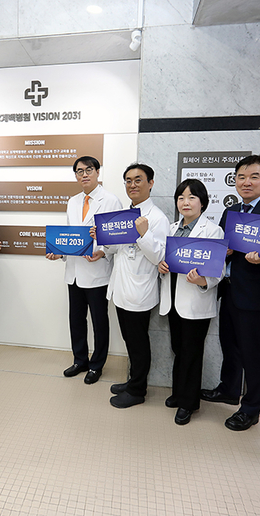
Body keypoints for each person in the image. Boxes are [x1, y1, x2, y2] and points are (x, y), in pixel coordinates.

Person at [200, 155, 260, 431]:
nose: (246, 182)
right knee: (229, 344)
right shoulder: (232, 211)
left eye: (254, 176)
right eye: (241, 177)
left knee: (252, 351)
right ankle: (229, 389)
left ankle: (251, 408)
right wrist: (225, 251)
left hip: (255, 295)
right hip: (229, 289)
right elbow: (225, 247)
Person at [96, 163, 169, 408]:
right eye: (128, 180)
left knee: (138, 343)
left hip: (139, 291)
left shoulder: (157, 218)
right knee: (129, 340)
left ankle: (138, 390)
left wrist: (144, 234)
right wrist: (103, 238)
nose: (132, 185)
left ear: (151, 183)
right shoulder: (124, 215)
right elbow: (115, 249)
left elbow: (160, 257)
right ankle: (132, 380)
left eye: (138, 180)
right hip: (120, 288)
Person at [47, 156, 122, 384]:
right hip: (74, 272)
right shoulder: (73, 201)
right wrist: (59, 253)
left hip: (97, 272)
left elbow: (117, 238)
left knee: (99, 322)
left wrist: (103, 252)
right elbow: (70, 236)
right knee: (76, 320)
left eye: (89, 170)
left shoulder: (111, 201)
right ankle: (80, 360)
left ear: (98, 172)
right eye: (79, 171)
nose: (84, 174)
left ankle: (96, 365)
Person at [158, 179, 224, 425]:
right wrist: (161, 267)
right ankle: (178, 392)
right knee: (178, 348)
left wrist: (202, 281)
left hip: (196, 301)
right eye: (181, 198)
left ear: (202, 203)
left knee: (192, 353)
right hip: (173, 300)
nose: (185, 202)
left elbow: (218, 270)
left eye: (191, 197)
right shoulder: (172, 229)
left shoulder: (213, 231)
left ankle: (188, 403)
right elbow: (165, 261)